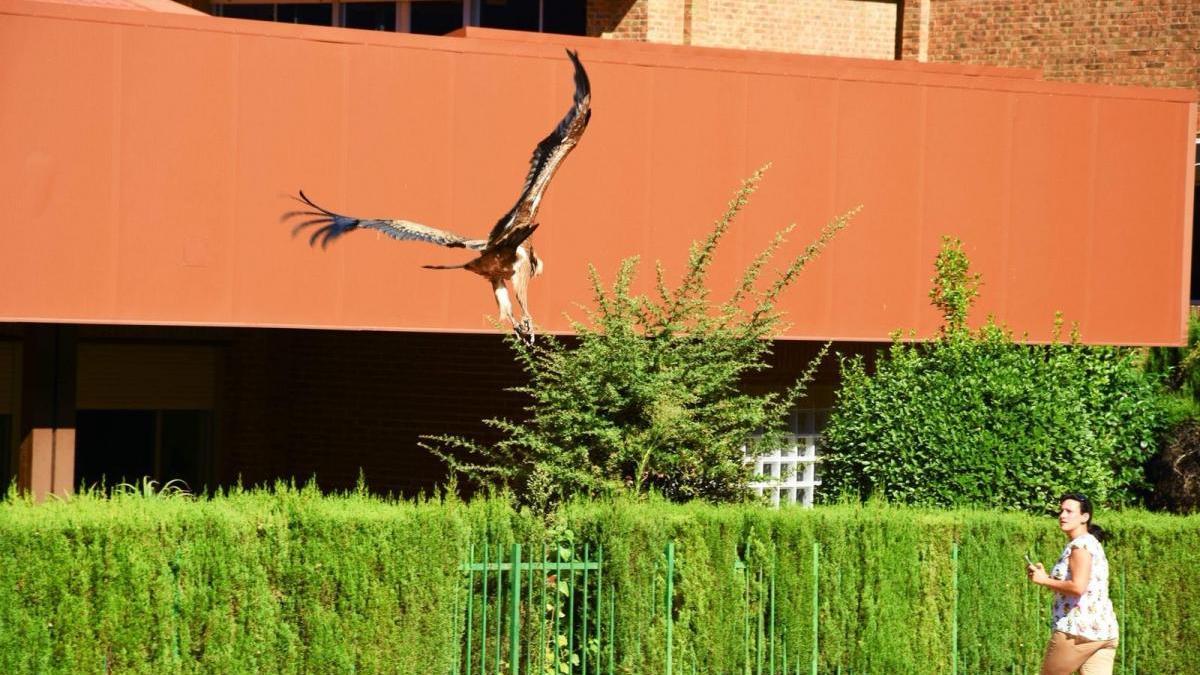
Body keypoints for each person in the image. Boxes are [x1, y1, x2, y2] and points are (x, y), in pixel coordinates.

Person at [1026, 492, 1119, 675]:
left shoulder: (1080, 546)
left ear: (1085, 517)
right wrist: (1047, 577)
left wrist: (1044, 580)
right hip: (1104, 632)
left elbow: (1078, 587)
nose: (1062, 515)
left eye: (1069, 511)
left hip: (1077, 631)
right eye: (1061, 511)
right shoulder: (1092, 543)